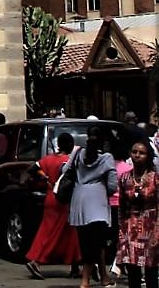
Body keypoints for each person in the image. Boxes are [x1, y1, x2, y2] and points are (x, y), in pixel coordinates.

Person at [25, 130, 81, 280]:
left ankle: (75, 265)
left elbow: (32, 169)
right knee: (61, 233)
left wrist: (47, 178)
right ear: (69, 145)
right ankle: (37, 261)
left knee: (53, 231)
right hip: (65, 200)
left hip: (51, 197)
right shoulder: (69, 160)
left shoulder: (48, 159)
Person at [68, 123, 119, 288]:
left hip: (79, 199)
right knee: (95, 242)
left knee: (89, 241)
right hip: (97, 201)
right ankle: (85, 281)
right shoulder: (107, 158)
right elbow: (112, 186)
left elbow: (65, 170)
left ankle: (103, 277)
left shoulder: (77, 153)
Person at [117, 138, 159, 288]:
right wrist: (121, 232)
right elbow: (121, 206)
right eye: (134, 152)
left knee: (151, 274)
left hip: (151, 229)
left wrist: (157, 233)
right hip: (130, 229)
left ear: (148, 156)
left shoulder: (155, 178)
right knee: (133, 273)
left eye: (141, 153)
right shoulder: (124, 178)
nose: (137, 155)